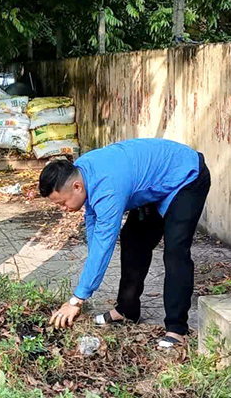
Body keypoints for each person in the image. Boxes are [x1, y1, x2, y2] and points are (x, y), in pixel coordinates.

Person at [39, 138, 211, 349]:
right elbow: (93, 222)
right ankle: (127, 310)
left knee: (175, 252)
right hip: (154, 183)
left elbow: (105, 243)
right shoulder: (82, 171)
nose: (63, 209)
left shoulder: (107, 187)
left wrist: (77, 299)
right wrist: (92, 267)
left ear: (76, 186)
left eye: (62, 203)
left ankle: (176, 329)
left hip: (186, 177)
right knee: (133, 240)